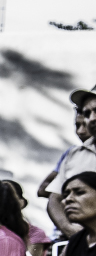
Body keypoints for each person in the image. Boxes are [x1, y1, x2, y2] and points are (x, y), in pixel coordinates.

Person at [45, 90, 96, 236]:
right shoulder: (75, 154)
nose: (92, 119)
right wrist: (69, 230)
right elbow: (55, 198)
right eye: (87, 114)